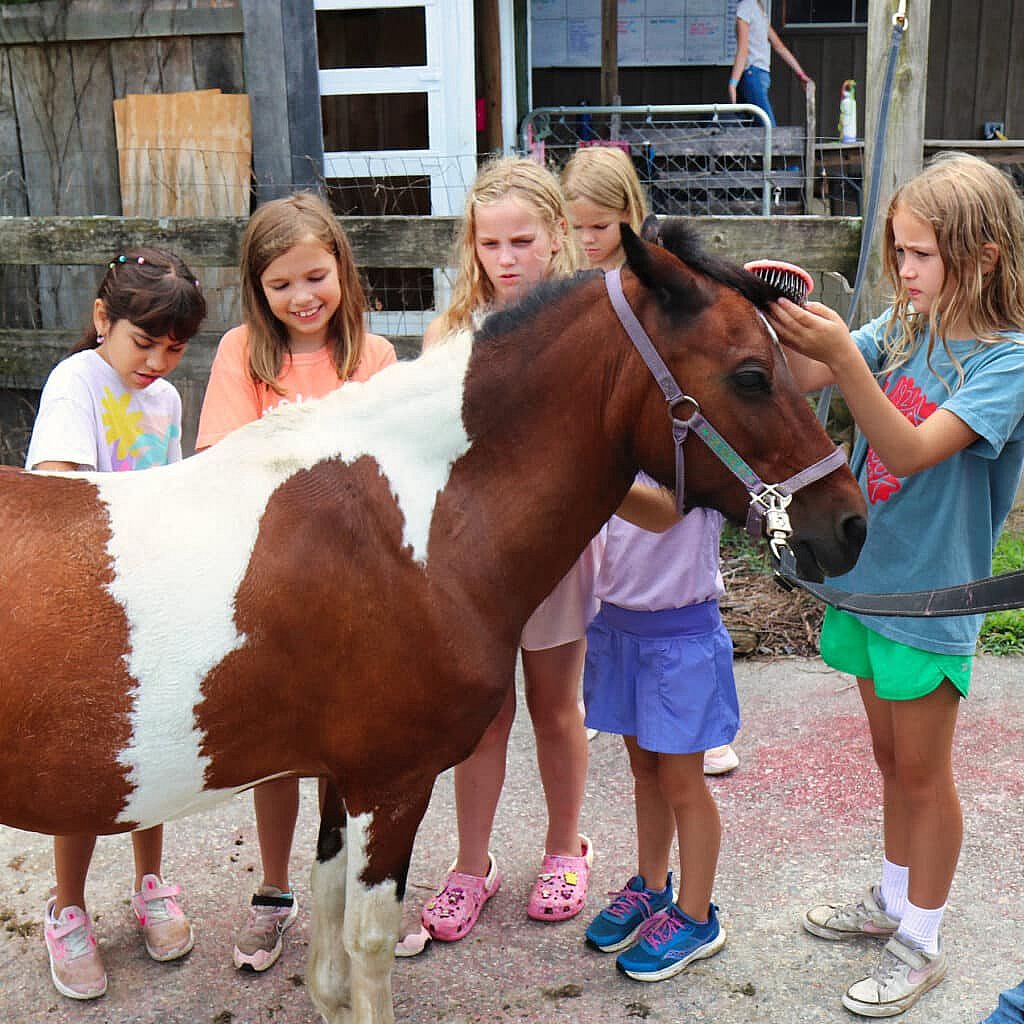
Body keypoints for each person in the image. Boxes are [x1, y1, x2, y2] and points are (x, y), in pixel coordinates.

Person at [768, 152, 1024, 1018]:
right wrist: (778, 324)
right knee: (888, 761)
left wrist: (847, 355)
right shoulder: (902, 327)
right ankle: (888, 902)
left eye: (920, 254)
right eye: (899, 252)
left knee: (925, 775)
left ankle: (923, 938)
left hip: (932, 601)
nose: (903, 270)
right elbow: (803, 376)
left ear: (984, 255)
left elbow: (911, 449)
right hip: (868, 586)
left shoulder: (1008, 360)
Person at [195, 191, 396, 973]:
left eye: (315, 276)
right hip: (272, 586)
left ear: (340, 269)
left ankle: (342, 897)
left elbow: (380, 474)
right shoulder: (241, 355)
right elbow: (225, 460)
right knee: (276, 753)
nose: (303, 298)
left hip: (354, 588)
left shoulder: (371, 358)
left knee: (347, 752)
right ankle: (273, 893)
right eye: (281, 285)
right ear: (258, 288)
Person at [416, 156, 599, 948]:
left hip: (555, 552)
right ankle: (471, 865)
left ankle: (566, 849)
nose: (507, 258)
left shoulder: (591, 322)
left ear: (558, 237)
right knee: (483, 720)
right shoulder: (449, 332)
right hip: (473, 565)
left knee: (557, 710)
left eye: (523, 240)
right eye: (490, 244)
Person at [28, 248, 207, 1000]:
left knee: (153, 754)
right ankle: (66, 908)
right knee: (84, 765)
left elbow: (169, 490)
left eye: (176, 349)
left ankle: (151, 885)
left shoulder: (163, 401)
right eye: (145, 342)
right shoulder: (76, 384)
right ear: (104, 319)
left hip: (151, 603)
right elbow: (58, 489)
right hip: (86, 607)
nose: (159, 362)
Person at [560, 144, 740, 779]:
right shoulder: (577, 288)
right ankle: (642, 711)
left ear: (631, 214)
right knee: (621, 569)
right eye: (575, 226)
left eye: (600, 227)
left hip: (667, 448)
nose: (586, 239)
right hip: (614, 448)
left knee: (677, 573)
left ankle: (702, 729)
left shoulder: (661, 282)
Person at [581, 476, 737, 981]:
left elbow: (667, 510)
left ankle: (696, 917)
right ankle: (652, 887)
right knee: (644, 770)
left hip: (680, 636)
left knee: (682, 783)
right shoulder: (622, 442)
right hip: (622, 627)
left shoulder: (695, 442)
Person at [728, 0, 812, 126]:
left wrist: (733, 83)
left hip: (752, 73)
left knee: (768, 128)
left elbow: (743, 50)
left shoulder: (745, 7)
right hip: (763, 75)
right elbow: (779, 47)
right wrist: (800, 74)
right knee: (752, 128)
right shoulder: (759, 10)